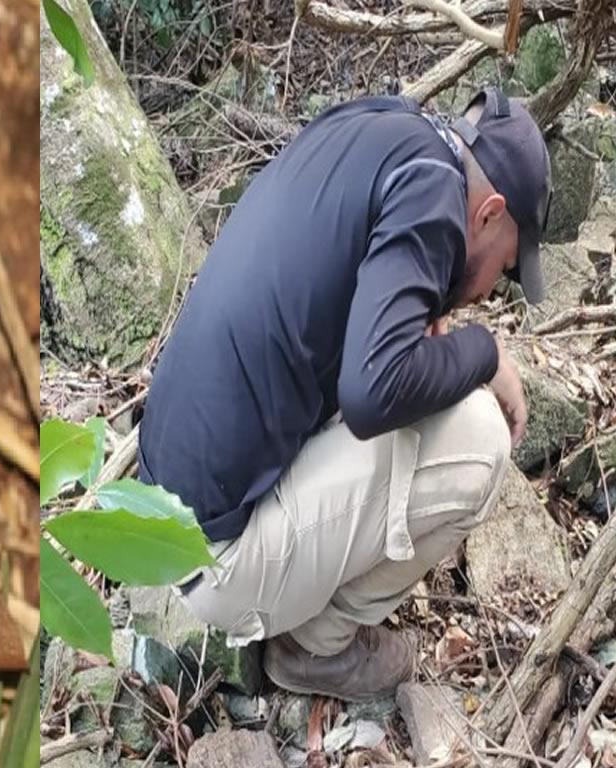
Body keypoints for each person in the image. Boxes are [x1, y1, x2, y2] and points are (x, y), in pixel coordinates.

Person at [136, 87, 552, 701]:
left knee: (419, 379)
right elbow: (372, 390)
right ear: (488, 213)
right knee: (481, 437)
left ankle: (294, 601)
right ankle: (314, 647)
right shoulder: (436, 199)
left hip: (158, 508)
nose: (492, 289)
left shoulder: (388, 125)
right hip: (218, 557)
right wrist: (485, 354)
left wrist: (425, 301)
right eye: (506, 266)